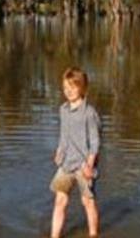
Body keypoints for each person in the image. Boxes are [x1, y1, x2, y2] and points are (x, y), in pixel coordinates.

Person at [49, 66, 101, 238]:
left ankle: (93, 234)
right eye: (65, 88)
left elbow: (95, 142)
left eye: (72, 87)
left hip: (84, 164)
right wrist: (59, 152)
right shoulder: (63, 110)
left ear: (82, 87)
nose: (68, 91)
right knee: (60, 201)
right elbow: (63, 136)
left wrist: (90, 165)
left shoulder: (89, 113)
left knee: (87, 202)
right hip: (66, 164)